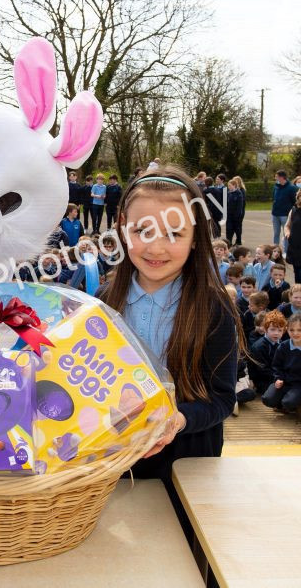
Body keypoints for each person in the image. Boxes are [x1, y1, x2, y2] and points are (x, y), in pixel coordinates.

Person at [100, 165, 241, 517]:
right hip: (117, 468)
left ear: (196, 238)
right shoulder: (102, 304)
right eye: (141, 230)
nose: (155, 247)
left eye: (174, 233)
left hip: (187, 468)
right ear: (122, 229)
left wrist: (178, 420)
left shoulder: (214, 308)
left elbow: (222, 399)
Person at [262, 314, 301, 412]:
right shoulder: (283, 346)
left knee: (288, 402)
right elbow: (276, 366)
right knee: (268, 399)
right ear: (287, 330)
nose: (295, 333)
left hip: (298, 384)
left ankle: (289, 402)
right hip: (285, 381)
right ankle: (285, 403)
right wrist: (278, 378)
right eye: (292, 330)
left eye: (299, 330)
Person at [249, 310, 286, 396]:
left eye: (280, 330)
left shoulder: (281, 343)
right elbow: (263, 370)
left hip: (278, 376)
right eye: (272, 329)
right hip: (264, 381)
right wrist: (280, 378)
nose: (276, 333)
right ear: (266, 329)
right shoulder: (259, 347)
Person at [271, 170, 297, 254]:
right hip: (275, 214)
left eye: (277, 177)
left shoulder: (292, 188)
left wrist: (291, 213)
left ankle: (286, 251)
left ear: (282, 177)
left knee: (286, 233)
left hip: (285, 215)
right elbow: (273, 198)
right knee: (276, 233)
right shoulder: (276, 187)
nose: (275, 178)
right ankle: (276, 250)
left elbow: (295, 202)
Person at [284, 188, 301, 283]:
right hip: (295, 247)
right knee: (297, 273)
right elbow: (287, 226)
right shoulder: (294, 210)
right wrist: (287, 233)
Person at [226, 178, 244, 246]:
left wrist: (237, 216)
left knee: (237, 230)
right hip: (229, 215)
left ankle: (238, 241)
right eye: (228, 186)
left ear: (234, 185)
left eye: (230, 185)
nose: (229, 187)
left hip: (236, 216)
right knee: (229, 229)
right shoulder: (228, 193)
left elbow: (240, 206)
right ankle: (228, 242)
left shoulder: (239, 193)